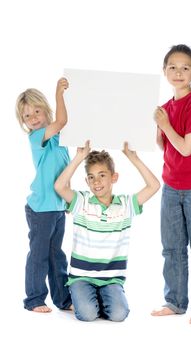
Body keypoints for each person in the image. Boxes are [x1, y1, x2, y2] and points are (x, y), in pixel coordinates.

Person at [54, 140, 160, 321]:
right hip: (82, 277)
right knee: (87, 315)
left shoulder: (126, 205)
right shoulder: (82, 202)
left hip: (111, 279)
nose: (96, 181)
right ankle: (85, 299)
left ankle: (101, 298)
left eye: (102, 175)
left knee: (119, 315)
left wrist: (133, 158)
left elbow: (154, 186)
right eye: (91, 177)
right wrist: (79, 157)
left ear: (114, 177)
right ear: (87, 181)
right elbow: (59, 186)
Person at [151, 44, 191, 324]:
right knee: (172, 248)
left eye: (185, 67)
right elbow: (162, 145)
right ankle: (175, 302)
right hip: (171, 187)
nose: (178, 72)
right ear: (164, 71)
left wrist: (165, 125)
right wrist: (159, 125)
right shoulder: (166, 107)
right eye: (173, 67)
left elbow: (187, 148)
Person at [15, 78, 72, 313]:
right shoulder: (37, 137)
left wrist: (67, 198)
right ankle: (34, 299)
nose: (34, 118)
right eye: (27, 116)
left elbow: (63, 169)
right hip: (41, 208)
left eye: (37, 111)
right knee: (38, 255)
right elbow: (61, 120)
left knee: (56, 255)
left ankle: (63, 299)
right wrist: (60, 93)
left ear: (44, 109)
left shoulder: (60, 139)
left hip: (56, 206)